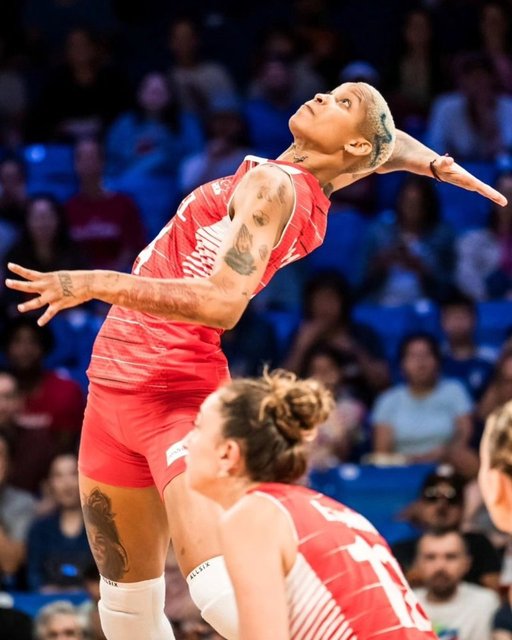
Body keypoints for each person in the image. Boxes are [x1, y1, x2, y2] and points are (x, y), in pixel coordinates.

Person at [5, 81, 507, 640]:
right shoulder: (319, 177)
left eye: (343, 103)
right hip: (112, 389)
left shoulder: (275, 185)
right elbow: (384, 147)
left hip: (175, 392)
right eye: (332, 91)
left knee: (216, 589)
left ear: (355, 146)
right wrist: (435, 164)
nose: (323, 97)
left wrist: (96, 282)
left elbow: (223, 303)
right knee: (124, 609)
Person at [185, 368, 437, 639]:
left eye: (197, 428)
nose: (187, 442)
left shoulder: (253, 515)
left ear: (228, 453)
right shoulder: (337, 512)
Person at [371, 333, 477, 476]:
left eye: (427, 355)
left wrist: (446, 452)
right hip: (402, 469)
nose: (421, 363)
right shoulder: (388, 400)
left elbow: (465, 433)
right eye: (413, 356)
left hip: (447, 463)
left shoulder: (454, 390)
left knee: (466, 457)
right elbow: (381, 453)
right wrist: (415, 459)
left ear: (438, 361)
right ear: (402, 364)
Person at [391, 466, 501, 591]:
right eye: (432, 498)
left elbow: (492, 591)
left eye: (452, 499)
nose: (441, 506)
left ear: (463, 506)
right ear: (419, 505)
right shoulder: (401, 550)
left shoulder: (480, 546)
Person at [413, 529, 500, 640]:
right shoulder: (405, 606)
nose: (440, 566)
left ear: (467, 563)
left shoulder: (487, 603)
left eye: (450, 557)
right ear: (417, 564)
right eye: (430, 557)